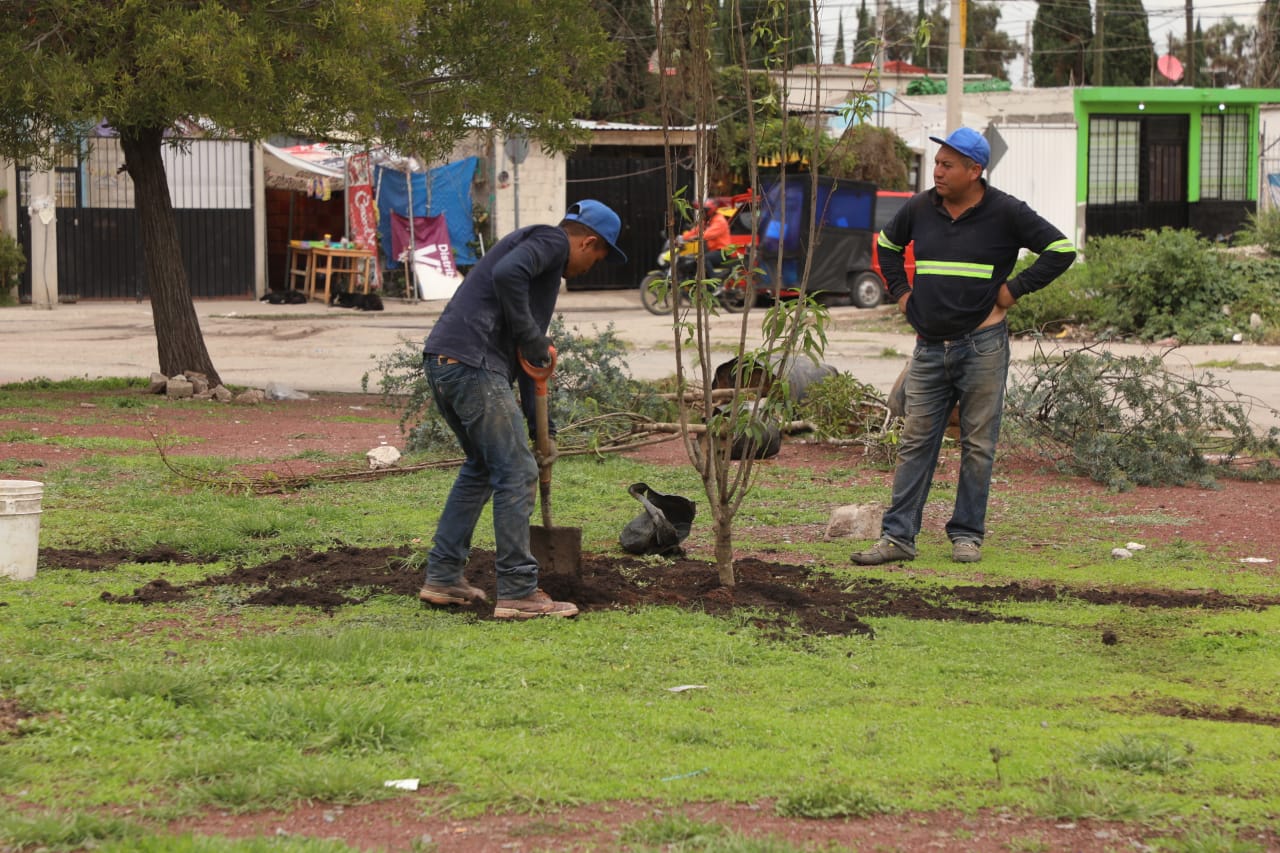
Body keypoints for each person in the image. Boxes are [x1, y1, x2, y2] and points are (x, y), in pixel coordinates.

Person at [851, 127, 1076, 566]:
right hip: (930, 347)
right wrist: (900, 294)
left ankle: (967, 535)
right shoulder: (919, 208)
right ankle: (898, 538)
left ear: (975, 171)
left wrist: (1011, 291)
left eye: (947, 165)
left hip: (984, 346)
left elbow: (1060, 249)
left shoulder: (1007, 211)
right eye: (937, 163)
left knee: (978, 445)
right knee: (916, 442)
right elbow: (886, 245)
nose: (937, 171)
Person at [419, 200, 626, 618]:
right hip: (473, 364)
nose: (593, 266)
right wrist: (533, 337)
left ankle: (443, 577)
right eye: (598, 257)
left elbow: (531, 362)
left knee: (482, 467)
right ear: (588, 242)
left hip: (447, 361)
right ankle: (518, 590)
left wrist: (538, 431)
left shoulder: (535, 281)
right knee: (516, 473)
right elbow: (506, 274)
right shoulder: (550, 240)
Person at [679, 199, 732, 268]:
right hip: (712, 251)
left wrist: (695, 237)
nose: (701, 213)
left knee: (702, 259)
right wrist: (681, 238)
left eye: (703, 211)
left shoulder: (719, 221)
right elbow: (694, 231)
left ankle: (715, 276)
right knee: (690, 260)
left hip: (722, 252)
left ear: (709, 211)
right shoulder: (707, 221)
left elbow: (707, 234)